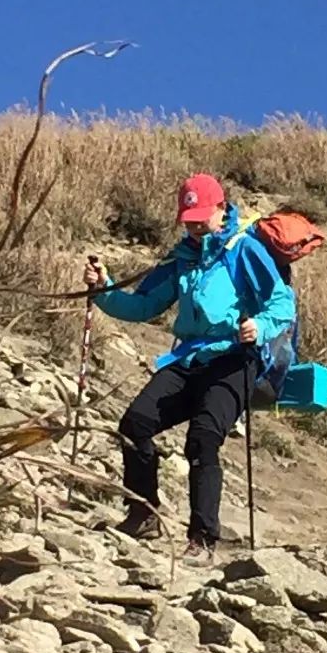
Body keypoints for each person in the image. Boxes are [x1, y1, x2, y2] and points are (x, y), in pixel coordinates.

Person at [84, 173, 296, 558]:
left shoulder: (244, 250)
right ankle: (143, 512)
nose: (196, 225)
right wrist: (103, 288)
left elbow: (282, 304)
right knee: (136, 424)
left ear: (221, 209)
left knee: (202, 439)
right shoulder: (182, 259)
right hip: (190, 357)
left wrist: (260, 326)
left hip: (235, 358)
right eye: (189, 218)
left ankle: (202, 539)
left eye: (202, 216)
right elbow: (141, 306)